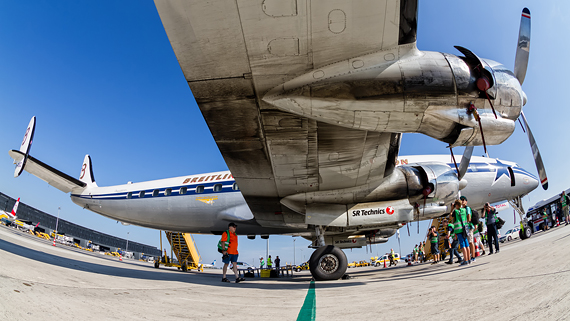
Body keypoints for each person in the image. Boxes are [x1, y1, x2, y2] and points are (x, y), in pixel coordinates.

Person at [452, 199, 471, 265]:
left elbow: (450, 217)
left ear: (456, 205)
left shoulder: (456, 211)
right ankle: (469, 259)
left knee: (463, 246)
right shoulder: (464, 210)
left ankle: (465, 260)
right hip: (465, 229)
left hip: (459, 230)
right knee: (467, 245)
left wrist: (452, 209)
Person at [460, 196, 476, 263]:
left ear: (466, 201)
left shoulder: (467, 208)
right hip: (465, 227)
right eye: (461, 200)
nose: (462, 201)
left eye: (463, 200)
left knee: (470, 242)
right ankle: (468, 257)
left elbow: (469, 216)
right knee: (467, 242)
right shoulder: (462, 209)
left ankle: (473, 257)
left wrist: (467, 222)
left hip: (468, 227)